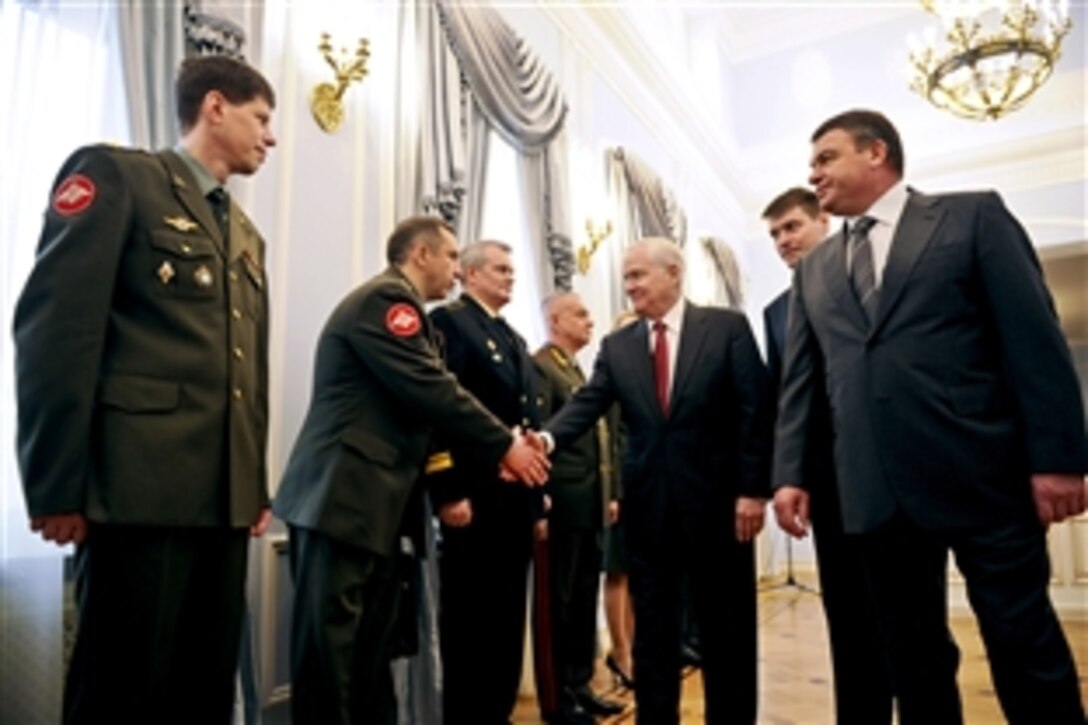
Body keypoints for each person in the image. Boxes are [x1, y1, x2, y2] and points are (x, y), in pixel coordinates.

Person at [773, 109, 1086, 725]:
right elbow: (801, 386)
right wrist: (789, 473)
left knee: (1023, 645)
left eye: (826, 157)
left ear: (876, 153)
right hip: (875, 492)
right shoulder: (814, 269)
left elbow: (1033, 340)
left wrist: (1059, 459)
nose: (814, 173)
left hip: (984, 478)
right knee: (912, 658)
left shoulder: (971, 217)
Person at [13, 55, 276, 723]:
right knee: (121, 692)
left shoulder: (245, 234)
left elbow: (247, 373)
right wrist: (56, 485)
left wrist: (252, 486)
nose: (270, 137)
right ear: (215, 106)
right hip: (135, 494)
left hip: (221, 505)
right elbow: (56, 333)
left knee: (202, 689)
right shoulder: (119, 177)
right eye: (262, 118)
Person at [272, 217, 549, 725]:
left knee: (370, 656)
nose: (455, 269)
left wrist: (500, 452)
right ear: (420, 255)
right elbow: (433, 390)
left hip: (374, 505)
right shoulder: (386, 303)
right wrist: (504, 446)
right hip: (342, 497)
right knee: (331, 658)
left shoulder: (411, 313)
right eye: (450, 256)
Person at [545, 238, 773, 724]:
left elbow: (755, 411)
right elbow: (586, 405)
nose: (628, 287)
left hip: (721, 511)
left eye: (637, 276)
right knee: (653, 632)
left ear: (673, 273)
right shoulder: (618, 345)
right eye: (626, 277)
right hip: (650, 512)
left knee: (725, 630)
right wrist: (543, 442)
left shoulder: (726, 329)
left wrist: (753, 490)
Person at [762, 187, 892, 724]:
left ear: (824, 220)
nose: (783, 241)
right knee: (847, 615)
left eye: (792, 227)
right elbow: (785, 399)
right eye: (773, 234)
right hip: (826, 481)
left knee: (905, 617)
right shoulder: (774, 311)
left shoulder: (870, 270)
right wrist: (789, 475)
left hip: (892, 469)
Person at [428, 240, 545, 723]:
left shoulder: (513, 337)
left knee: (505, 621)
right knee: (470, 625)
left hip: (513, 501)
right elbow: (438, 409)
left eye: (513, 269)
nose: (511, 276)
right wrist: (447, 489)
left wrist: (537, 500)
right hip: (472, 498)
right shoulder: (449, 323)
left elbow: (525, 419)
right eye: (500, 269)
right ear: (470, 275)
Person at [532, 292, 623, 724]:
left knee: (583, 598)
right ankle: (557, 697)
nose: (590, 321)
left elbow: (603, 441)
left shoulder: (576, 370)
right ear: (555, 320)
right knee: (560, 603)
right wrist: (541, 504)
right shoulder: (542, 367)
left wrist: (610, 492)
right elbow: (540, 440)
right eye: (581, 314)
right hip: (562, 507)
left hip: (589, 505)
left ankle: (580, 681)